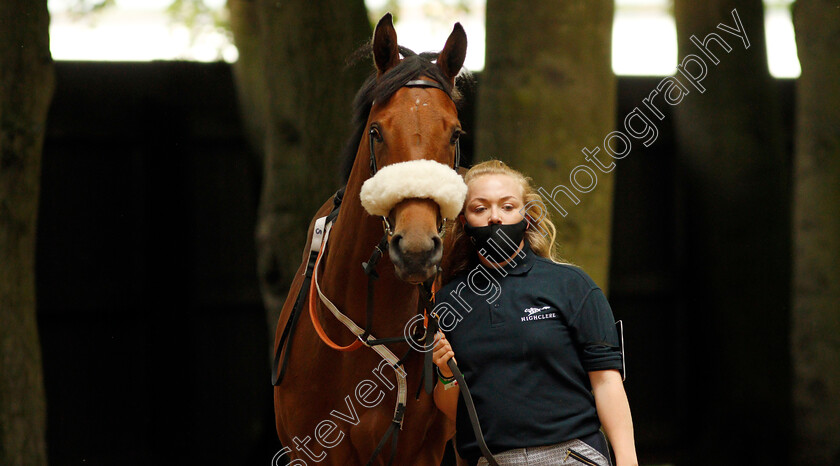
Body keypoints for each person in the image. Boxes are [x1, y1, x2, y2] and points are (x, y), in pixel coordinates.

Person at [432, 160, 638, 466]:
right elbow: (455, 410)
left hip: (572, 455)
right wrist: (447, 376)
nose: (495, 218)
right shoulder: (448, 302)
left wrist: (627, 460)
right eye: (480, 208)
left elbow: (606, 381)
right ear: (464, 222)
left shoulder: (572, 285)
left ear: (526, 217)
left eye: (507, 206)